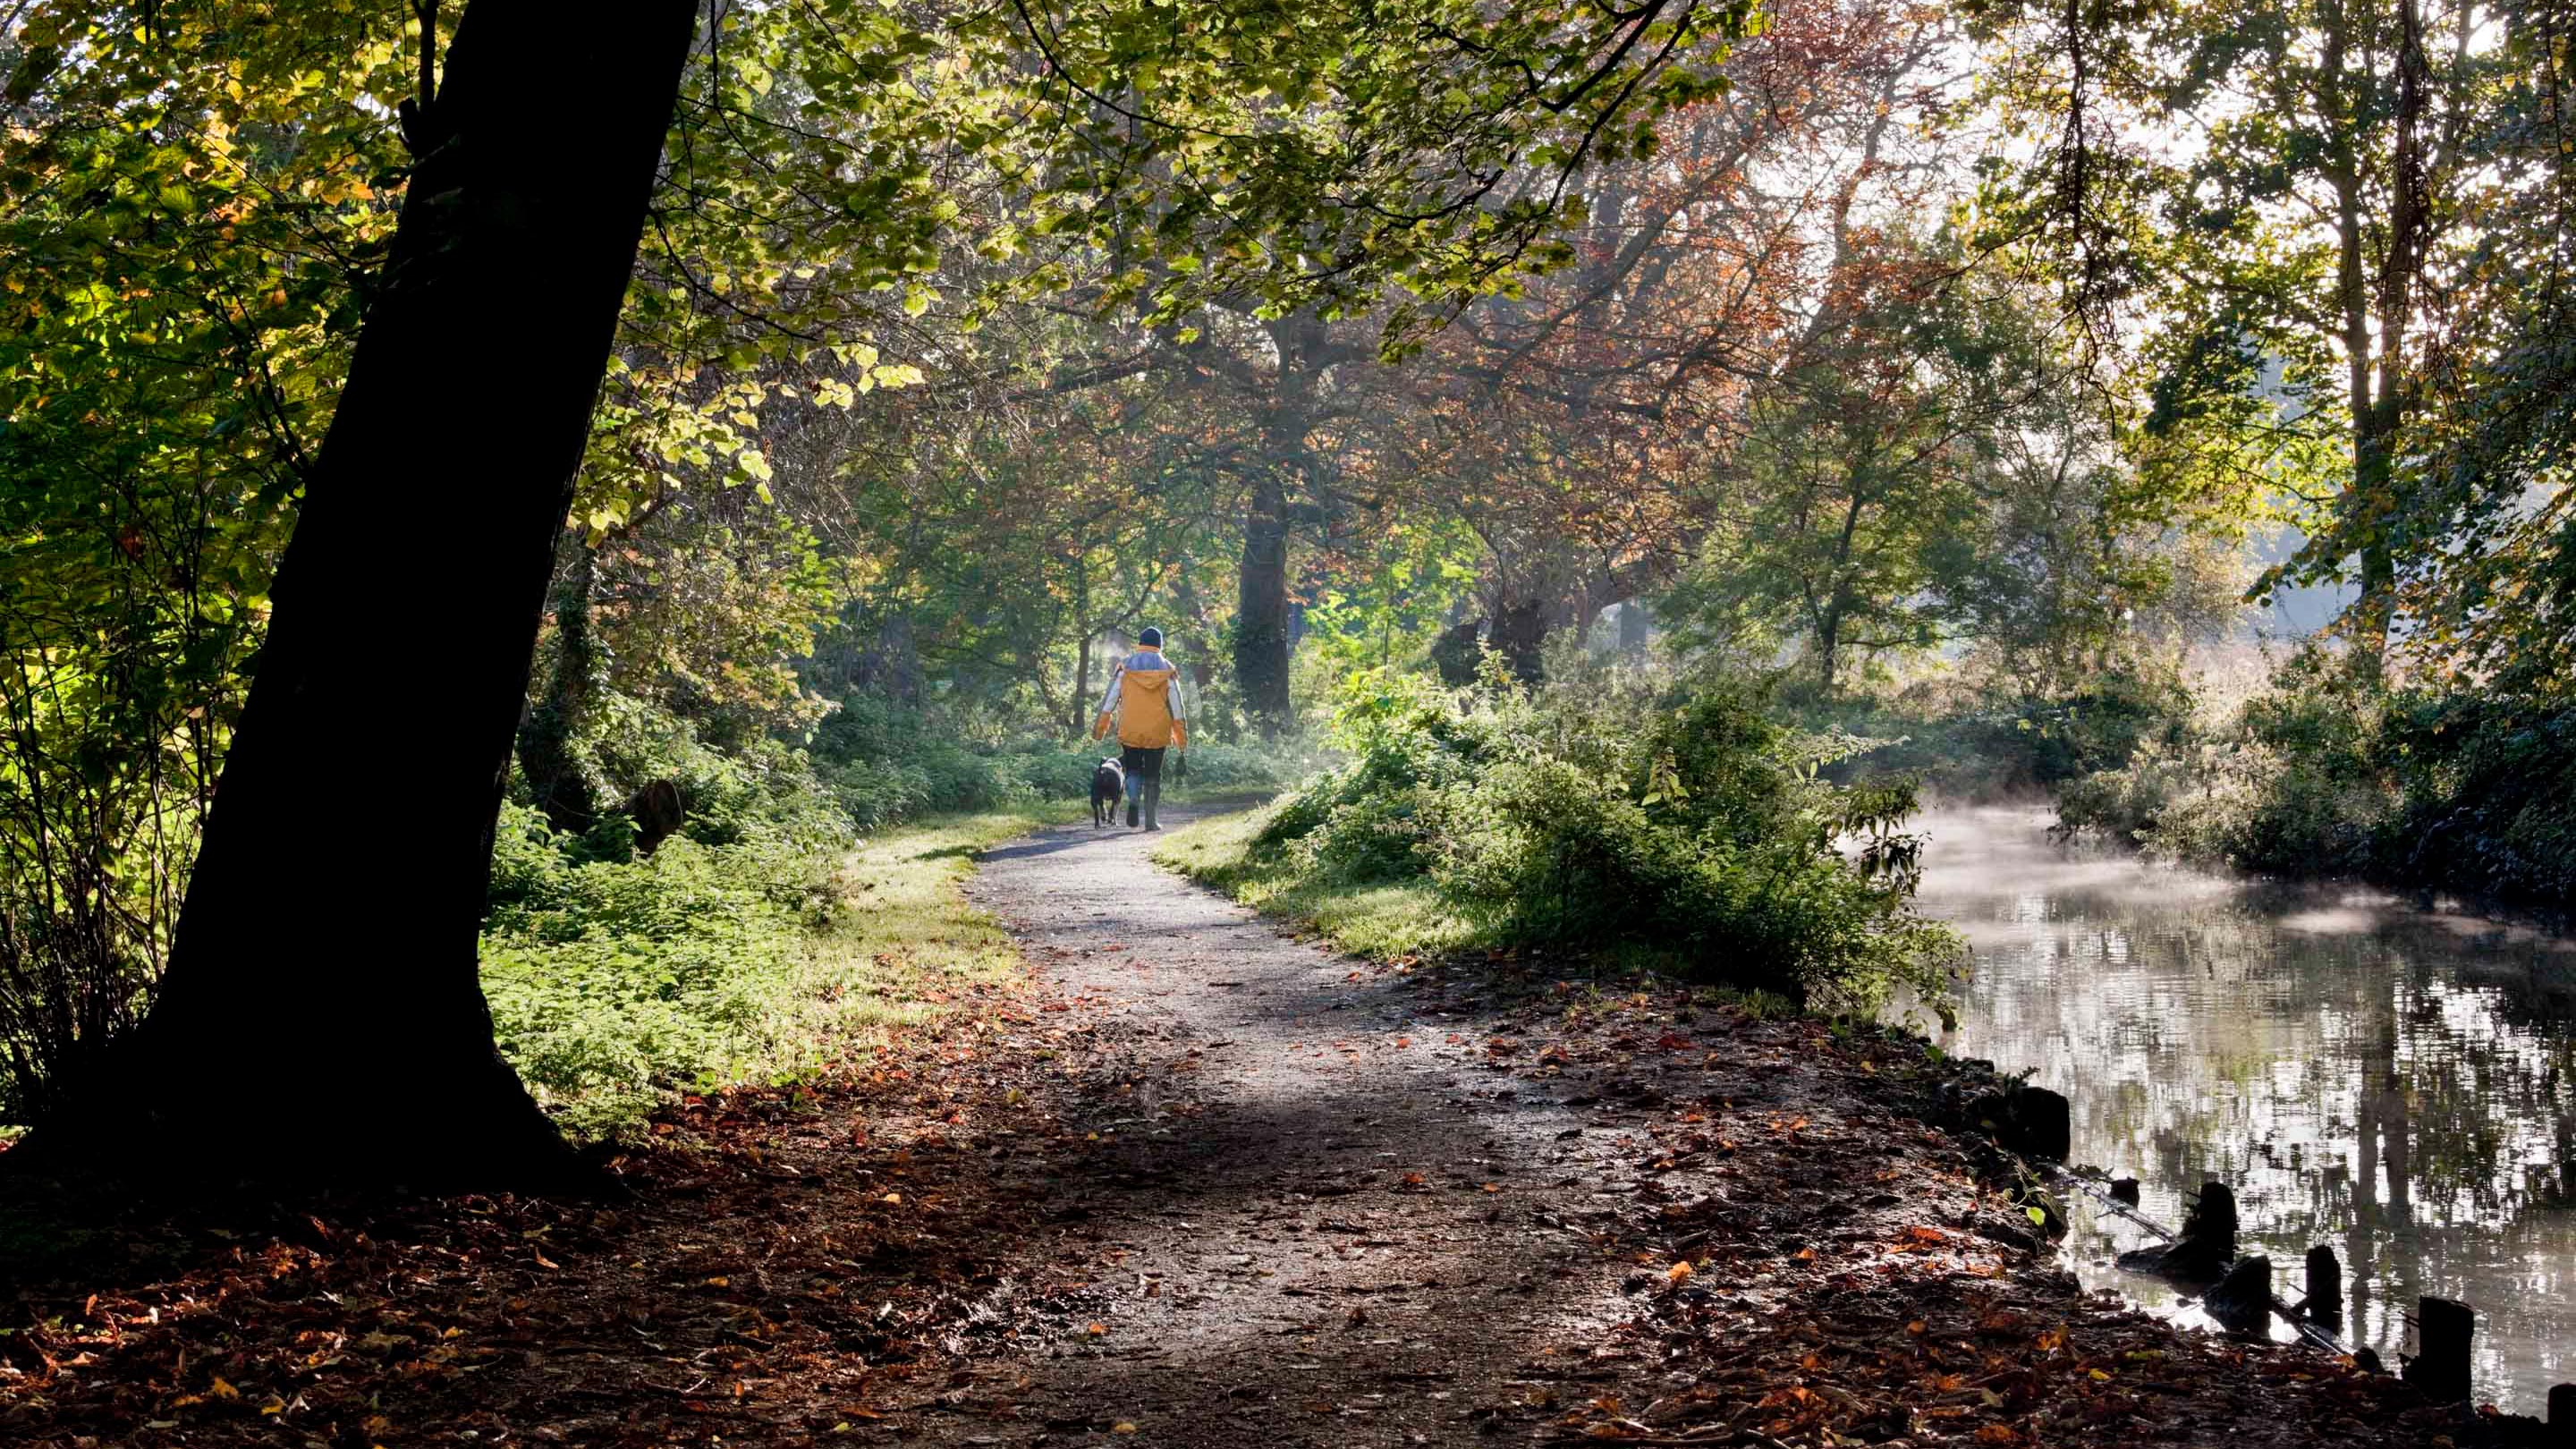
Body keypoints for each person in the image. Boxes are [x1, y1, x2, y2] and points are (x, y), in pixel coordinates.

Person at [1092, 626, 1187, 829]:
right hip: (1158, 732)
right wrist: (1181, 738)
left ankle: (1134, 801)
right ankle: (1151, 821)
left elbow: (1109, 700)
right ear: (1159, 646)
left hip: (1130, 729)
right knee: (1153, 775)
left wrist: (1100, 729)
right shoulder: (1168, 669)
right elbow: (1177, 707)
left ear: (1140, 644)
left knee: (1133, 770)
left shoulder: (1125, 667)